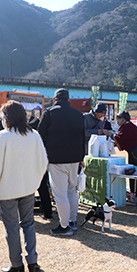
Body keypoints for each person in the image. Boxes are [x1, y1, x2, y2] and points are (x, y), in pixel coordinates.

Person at [0, 101, 48, 272]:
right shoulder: (34, 134)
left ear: (7, 118)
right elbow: (44, 162)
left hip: (7, 192)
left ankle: (16, 264)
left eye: (2, 116)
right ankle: (32, 262)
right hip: (28, 189)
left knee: (12, 229)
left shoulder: (4, 136)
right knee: (28, 225)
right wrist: (35, 181)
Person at [38, 88, 85, 235]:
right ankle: (72, 221)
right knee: (72, 190)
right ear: (68, 100)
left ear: (54, 100)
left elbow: (40, 136)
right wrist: (81, 158)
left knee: (60, 193)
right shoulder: (78, 115)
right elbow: (83, 138)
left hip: (56, 159)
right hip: (75, 158)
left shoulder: (49, 113)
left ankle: (64, 226)